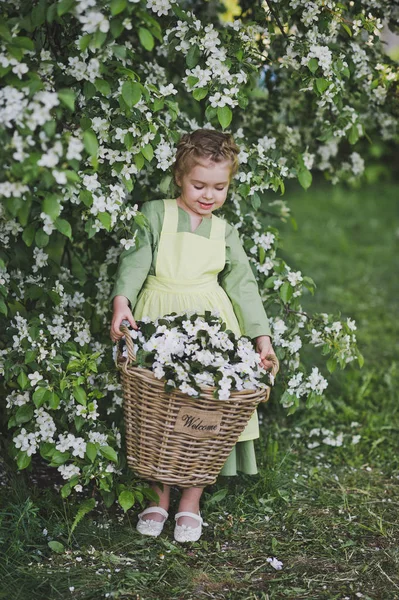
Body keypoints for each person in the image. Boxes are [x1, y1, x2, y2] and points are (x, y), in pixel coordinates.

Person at [109, 129, 277, 543]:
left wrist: (261, 337)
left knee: (206, 409)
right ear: (179, 178)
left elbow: (242, 286)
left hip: (210, 323)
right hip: (160, 314)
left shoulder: (225, 232)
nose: (209, 195)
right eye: (199, 184)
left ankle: (192, 499)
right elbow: (134, 262)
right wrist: (122, 302)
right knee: (160, 408)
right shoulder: (154, 213)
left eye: (220, 187)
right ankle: (159, 496)